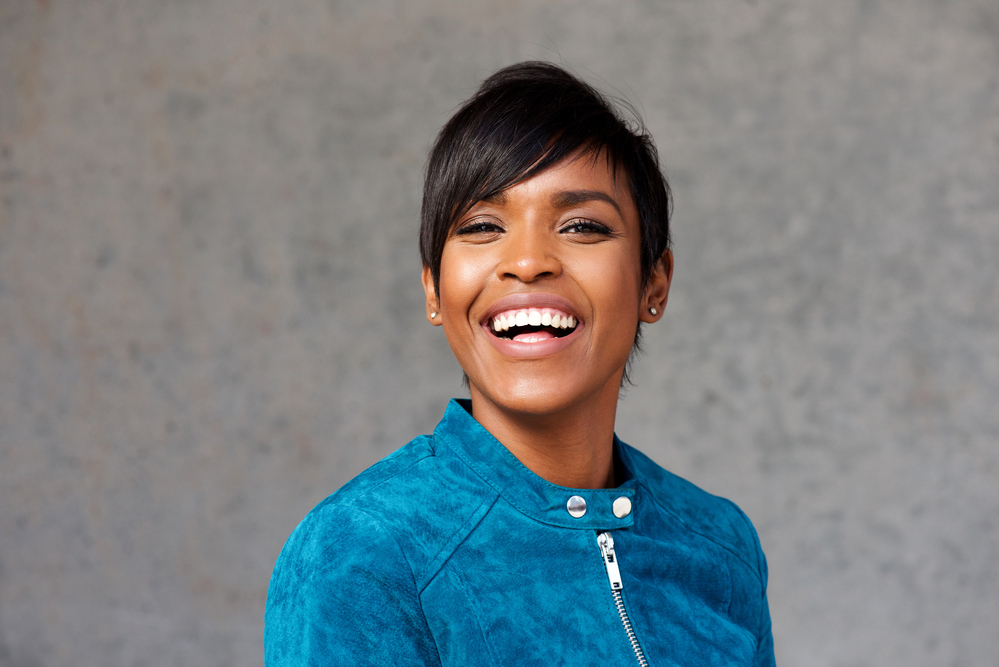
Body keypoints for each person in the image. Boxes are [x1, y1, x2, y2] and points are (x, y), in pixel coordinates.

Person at [264, 61, 775, 666]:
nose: (528, 262)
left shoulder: (722, 546)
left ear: (653, 284)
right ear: (433, 290)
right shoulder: (360, 551)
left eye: (582, 226)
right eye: (482, 226)